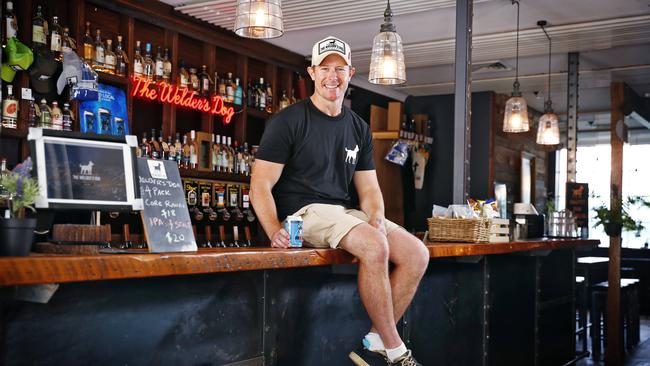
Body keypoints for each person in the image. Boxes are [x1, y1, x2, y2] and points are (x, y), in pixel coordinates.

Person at [250, 36, 429, 366]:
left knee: (417, 253)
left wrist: (375, 216)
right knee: (375, 246)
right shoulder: (288, 121)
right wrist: (274, 228)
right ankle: (396, 351)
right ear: (312, 73)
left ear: (351, 73)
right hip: (304, 211)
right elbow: (260, 185)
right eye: (325, 68)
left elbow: (370, 190)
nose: (333, 76)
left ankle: (375, 339)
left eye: (340, 69)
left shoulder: (358, 128)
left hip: (343, 211)